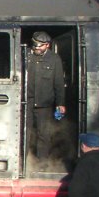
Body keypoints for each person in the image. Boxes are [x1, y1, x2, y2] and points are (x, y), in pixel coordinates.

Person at [25, 31, 65, 160]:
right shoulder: (26, 56)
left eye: (39, 46)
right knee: (25, 132)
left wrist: (60, 103)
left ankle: (42, 162)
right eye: (34, 45)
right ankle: (23, 159)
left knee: (44, 134)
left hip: (45, 103)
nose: (36, 48)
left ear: (47, 45)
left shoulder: (54, 59)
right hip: (26, 102)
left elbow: (59, 83)